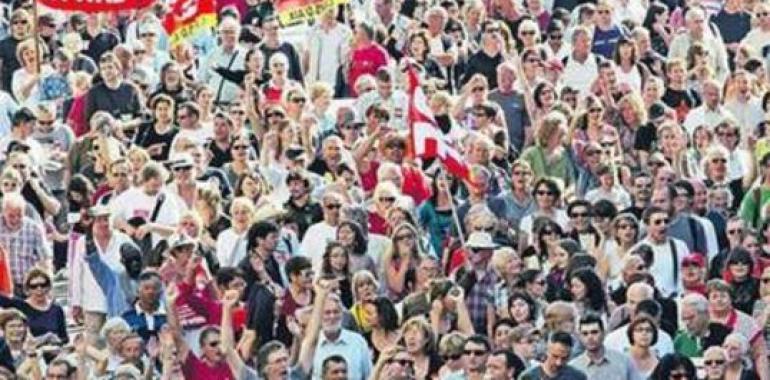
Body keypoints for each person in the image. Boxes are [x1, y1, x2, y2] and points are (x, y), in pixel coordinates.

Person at [519, 331, 588, 380]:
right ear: (547, 351)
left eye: (564, 358)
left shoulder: (578, 377)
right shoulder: (528, 377)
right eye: (555, 356)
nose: (558, 362)